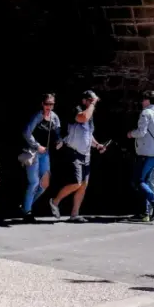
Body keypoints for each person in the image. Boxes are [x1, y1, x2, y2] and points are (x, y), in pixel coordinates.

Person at [49, 90, 106, 222]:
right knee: (76, 182)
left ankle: (75, 214)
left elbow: (88, 135)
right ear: (84, 100)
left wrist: (97, 145)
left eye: (94, 101)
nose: (93, 104)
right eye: (90, 101)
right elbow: (82, 118)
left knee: (84, 185)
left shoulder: (90, 115)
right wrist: (93, 104)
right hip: (73, 152)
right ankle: (54, 201)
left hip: (86, 154)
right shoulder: (76, 110)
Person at [128, 89, 154, 222]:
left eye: (143, 99)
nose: (141, 102)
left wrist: (130, 134)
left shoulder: (146, 113)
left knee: (138, 181)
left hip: (145, 152)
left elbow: (141, 132)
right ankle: (144, 213)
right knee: (144, 182)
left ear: (147, 100)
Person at [21, 93, 61, 220]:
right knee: (34, 182)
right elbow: (27, 132)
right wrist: (37, 145)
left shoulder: (54, 117)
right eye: (47, 104)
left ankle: (27, 205)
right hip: (33, 152)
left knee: (44, 184)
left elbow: (57, 133)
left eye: (52, 104)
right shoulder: (38, 116)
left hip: (46, 153)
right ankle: (27, 211)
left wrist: (59, 141)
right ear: (42, 104)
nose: (49, 106)